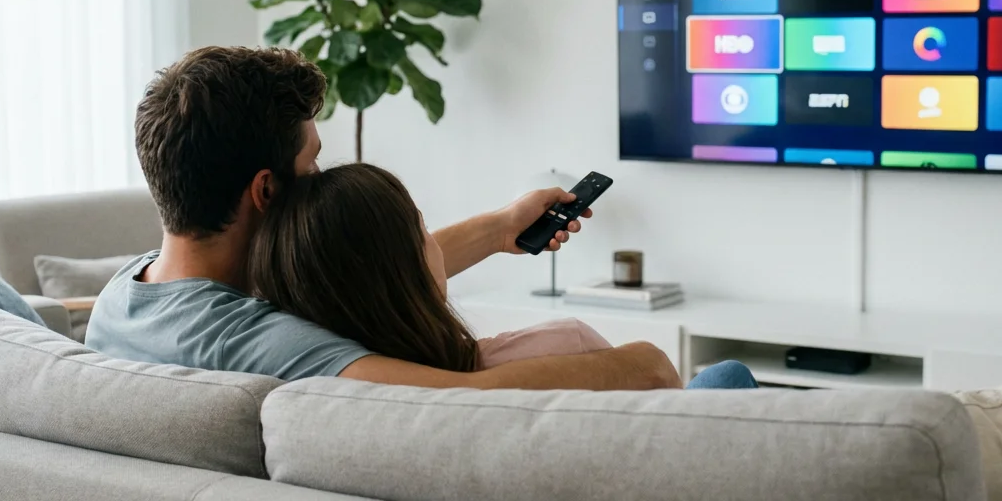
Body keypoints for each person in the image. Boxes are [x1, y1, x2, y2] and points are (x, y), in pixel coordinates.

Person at [86, 46, 682, 390]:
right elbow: (457, 397)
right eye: (312, 162)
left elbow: (365, 272)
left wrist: (502, 228)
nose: (319, 179)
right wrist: (645, 362)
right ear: (266, 190)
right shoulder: (256, 341)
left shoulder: (126, 297)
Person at [246, 161, 757, 389]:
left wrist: (497, 229)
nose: (434, 239)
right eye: (422, 227)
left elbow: (374, 278)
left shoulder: (292, 365)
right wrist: (645, 360)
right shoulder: (565, 346)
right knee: (726, 376)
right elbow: (653, 373)